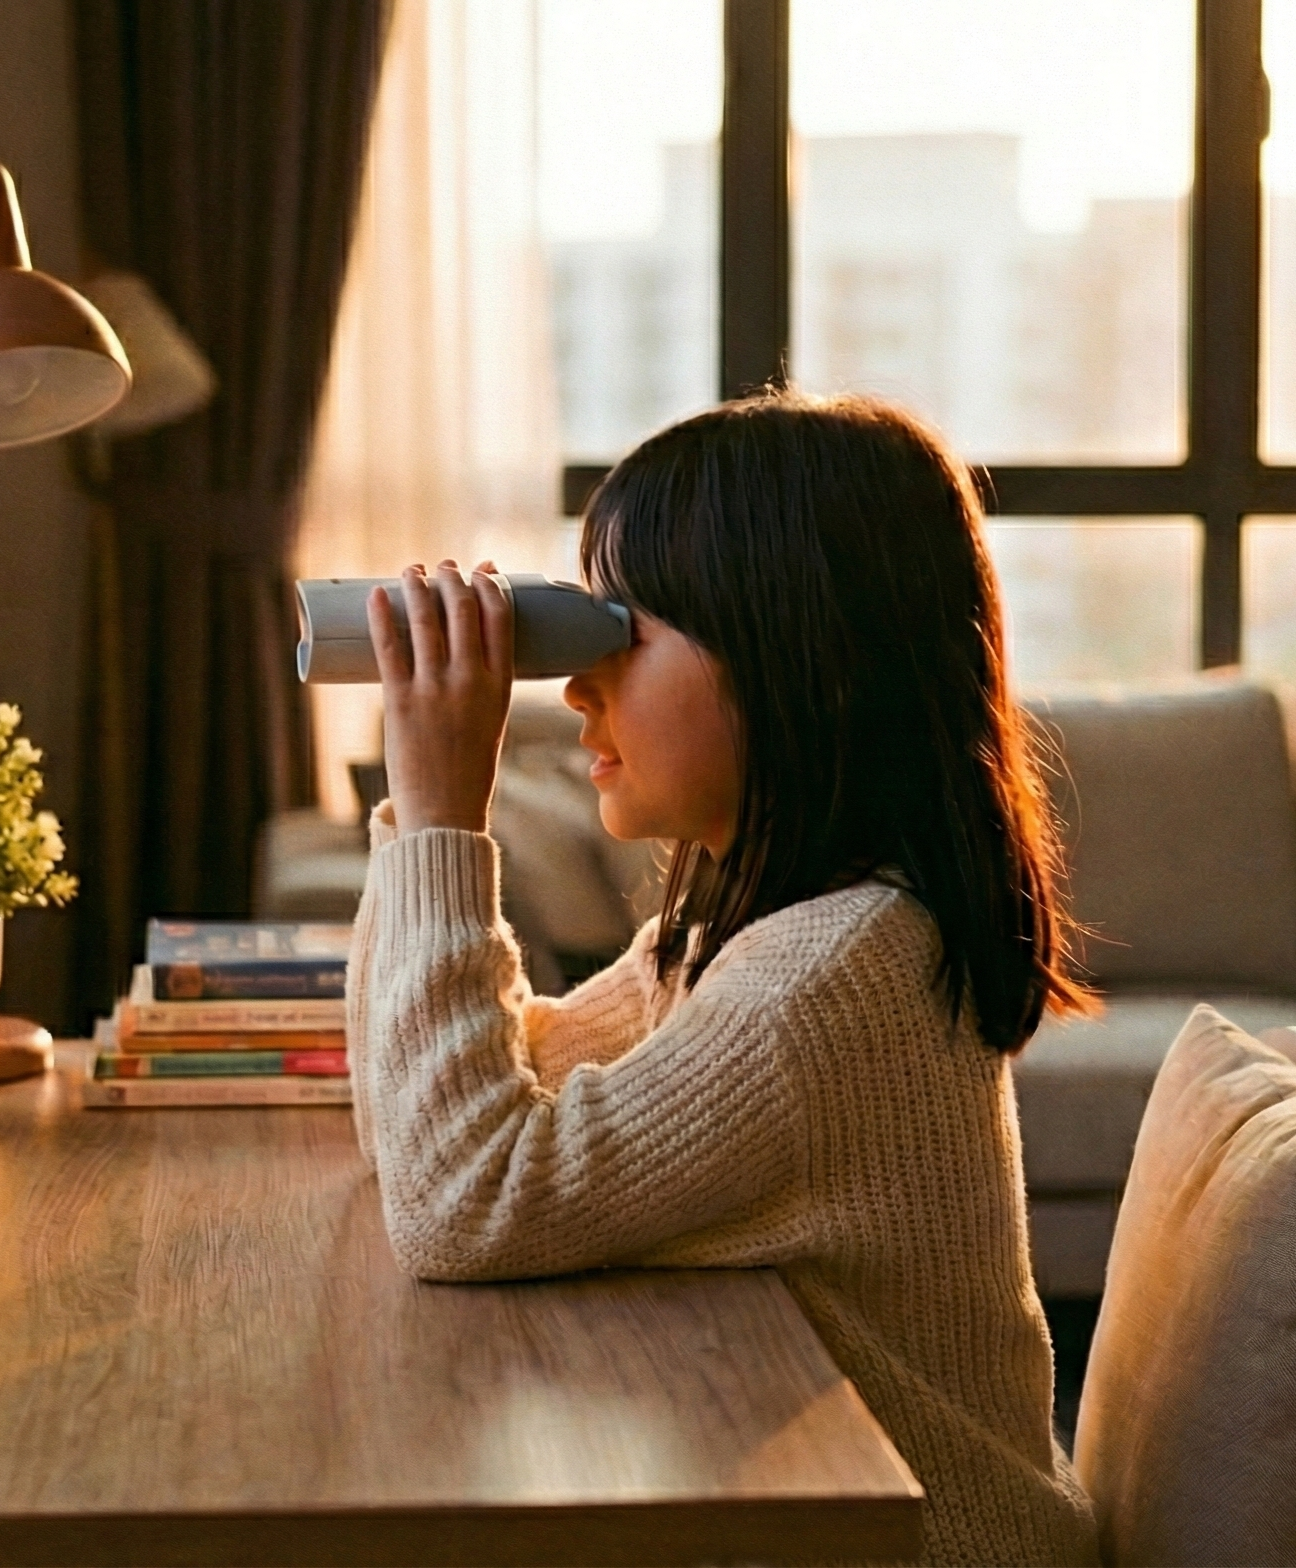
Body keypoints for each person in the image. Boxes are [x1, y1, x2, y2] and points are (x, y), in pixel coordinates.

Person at [346, 391, 1099, 1566]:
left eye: (621, 632)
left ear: (798, 656)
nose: (575, 686)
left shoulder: (829, 977)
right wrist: (418, 817)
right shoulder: (745, 929)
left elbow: (460, 1198)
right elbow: (418, 1129)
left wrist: (446, 816)